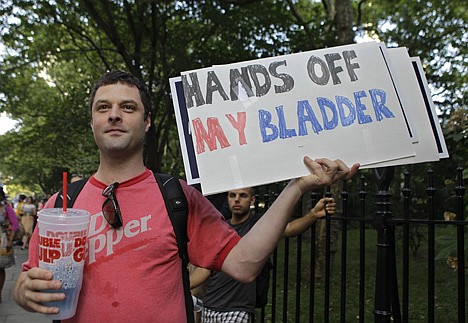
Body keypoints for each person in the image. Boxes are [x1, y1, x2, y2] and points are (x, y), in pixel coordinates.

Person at [13, 70, 359, 322]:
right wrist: (24, 292)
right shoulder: (61, 205)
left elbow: (244, 264)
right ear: (92, 121)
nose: (114, 114)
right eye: (103, 107)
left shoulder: (176, 196)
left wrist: (296, 187)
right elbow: (27, 282)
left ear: (147, 122)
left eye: (128, 108)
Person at [190, 188, 335, 322]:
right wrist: (178, 285)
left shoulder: (258, 225)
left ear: (252, 200)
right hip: (210, 306)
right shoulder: (222, 228)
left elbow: (288, 229)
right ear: (227, 199)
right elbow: (206, 269)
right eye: (232, 195)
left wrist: (313, 214)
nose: (237, 200)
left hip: (237, 309)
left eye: (243, 195)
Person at [0, 186, 19, 303]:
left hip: (2, 240)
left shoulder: (6, 208)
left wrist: (10, 240)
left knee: (0, 267)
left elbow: (15, 224)